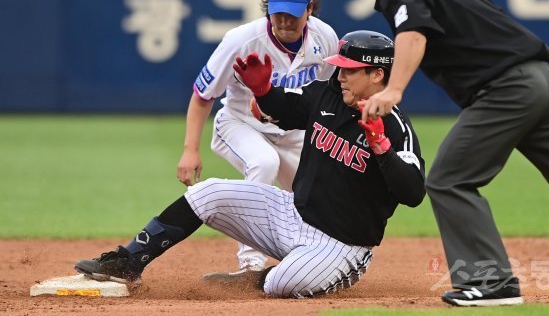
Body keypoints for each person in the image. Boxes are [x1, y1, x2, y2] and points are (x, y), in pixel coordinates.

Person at [74, 30, 426, 298]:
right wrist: (263, 91)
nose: (341, 76)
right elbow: (286, 109)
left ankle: (260, 278)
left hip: (342, 244)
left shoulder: (397, 128)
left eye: (350, 70)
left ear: (377, 75)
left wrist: (381, 146)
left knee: (284, 284)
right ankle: (127, 262)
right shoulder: (329, 95)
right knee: (208, 193)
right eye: (340, 68)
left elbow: (412, 192)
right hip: (293, 214)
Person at [356, 0, 549, 307]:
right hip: (545, 80)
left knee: (448, 180)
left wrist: (394, 89)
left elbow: (413, 33)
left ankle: (491, 282)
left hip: (508, 90)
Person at [177, 0, 338, 278]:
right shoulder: (242, 40)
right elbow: (203, 95)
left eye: (292, 14)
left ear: (309, 9)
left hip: (293, 133)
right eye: (278, 14)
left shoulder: (325, 38)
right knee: (264, 163)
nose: (284, 22)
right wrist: (190, 149)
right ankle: (251, 263)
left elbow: (326, 95)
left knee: (314, 196)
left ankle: (310, 259)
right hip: (241, 125)